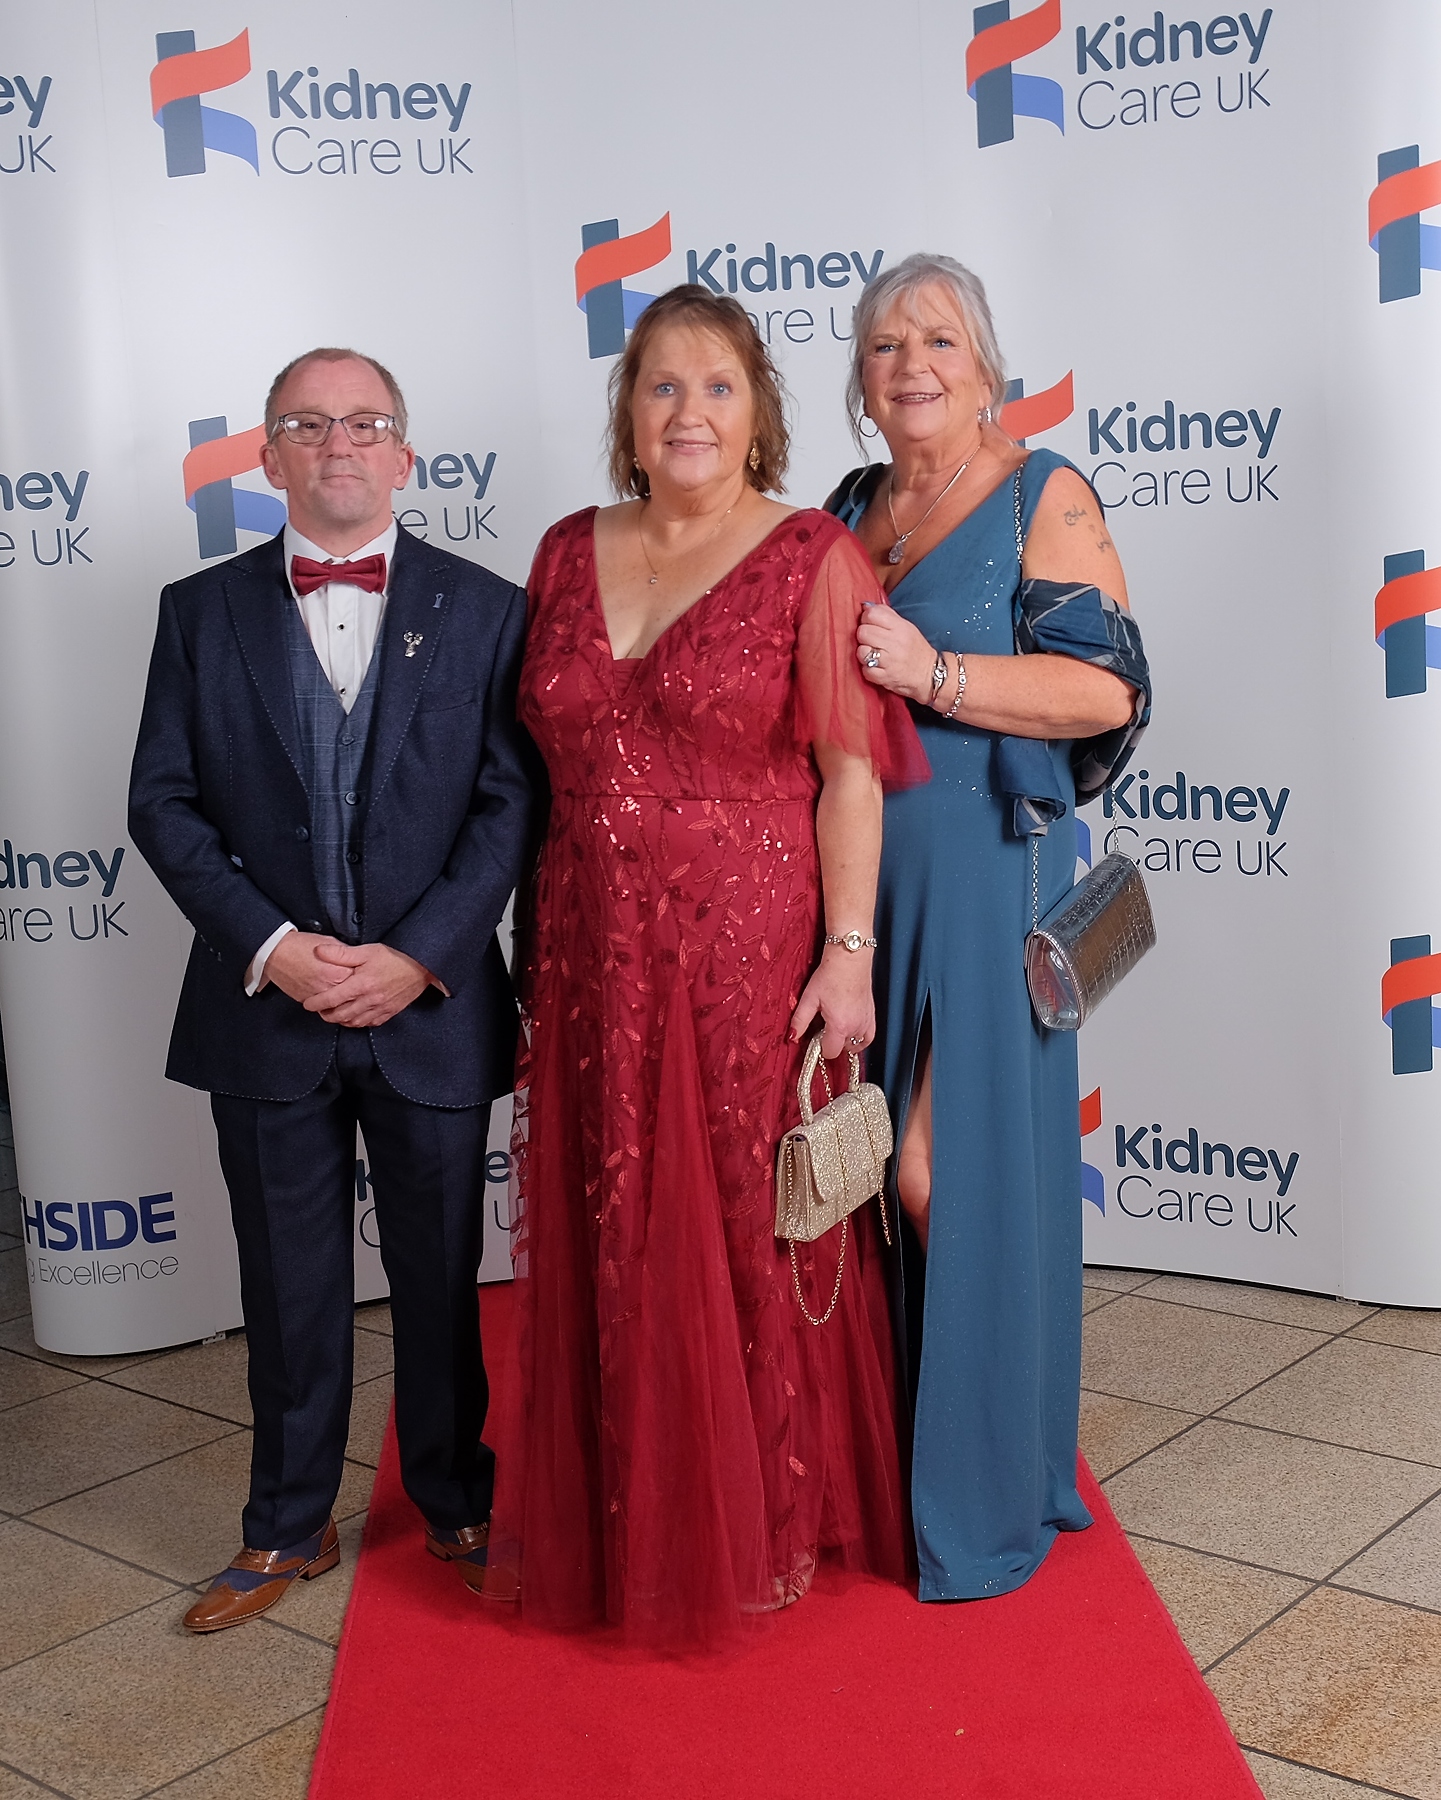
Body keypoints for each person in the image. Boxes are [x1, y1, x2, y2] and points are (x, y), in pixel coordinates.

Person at [485, 287, 926, 1651]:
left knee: (737, 1221)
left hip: (743, 947)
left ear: (759, 414)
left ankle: (757, 1521)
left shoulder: (809, 555)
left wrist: (846, 956)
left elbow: (851, 773)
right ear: (626, 413)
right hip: (579, 946)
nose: (687, 411)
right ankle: (623, 1507)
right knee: (605, 1215)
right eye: (660, 387)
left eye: (717, 387)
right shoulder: (563, 552)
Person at [128, 347, 535, 1631]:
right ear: (268, 456)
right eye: (308, 424)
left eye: (364, 423)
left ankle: (459, 1503)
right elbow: (163, 804)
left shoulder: (487, 608)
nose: (338, 444)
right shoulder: (198, 613)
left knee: (439, 1281)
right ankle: (286, 1526)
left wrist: (417, 956)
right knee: (286, 1285)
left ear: (405, 456)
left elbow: (511, 802)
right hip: (263, 1010)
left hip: (433, 1009)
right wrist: (278, 948)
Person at [828, 254, 1151, 1601]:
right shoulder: (848, 504)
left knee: (936, 1178)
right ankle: (905, 1467)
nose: (913, 362)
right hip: (856, 889)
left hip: (982, 882)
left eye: (940, 339)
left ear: (988, 366)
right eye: (887, 343)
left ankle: (978, 1502)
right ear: (858, 375)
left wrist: (935, 673)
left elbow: (1103, 694)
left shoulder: (1042, 490)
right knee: (865, 1188)